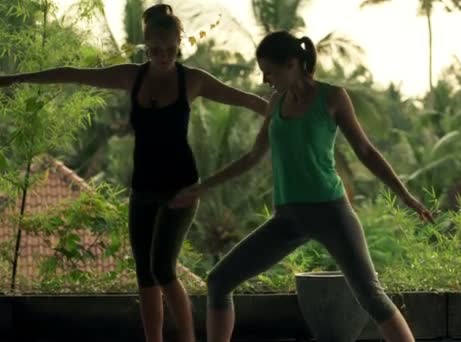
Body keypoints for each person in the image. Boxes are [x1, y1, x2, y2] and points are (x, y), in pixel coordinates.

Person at [0, 4, 267, 342]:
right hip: (143, 188)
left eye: (171, 50)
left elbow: (248, 101)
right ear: (146, 46)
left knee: (162, 268)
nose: (164, 56)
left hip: (182, 188)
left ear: (180, 45)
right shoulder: (132, 76)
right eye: (156, 50)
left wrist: (285, 109)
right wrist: (13, 79)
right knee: (145, 275)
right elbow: (72, 73)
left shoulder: (192, 81)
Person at [170, 30, 434, 342]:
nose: (266, 79)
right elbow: (253, 156)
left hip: (331, 213)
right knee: (219, 281)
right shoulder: (276, 104)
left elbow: (365, 151)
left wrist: (405, 195)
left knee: (371, 297)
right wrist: (202, 187)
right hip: (287, 219)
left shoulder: (332, 97)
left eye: (270, 71)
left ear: (293, 63)